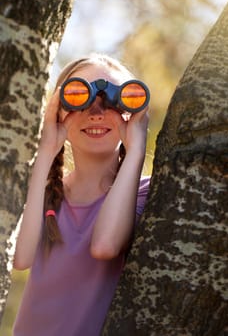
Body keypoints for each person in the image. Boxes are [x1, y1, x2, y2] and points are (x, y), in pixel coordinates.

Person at [13, 53, 150, 336]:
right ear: (58, 110)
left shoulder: (147, 192)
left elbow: (105, 245)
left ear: (131, 110)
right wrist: (46, 150)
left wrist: (136, 148)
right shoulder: (46, 192)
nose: (96, 113)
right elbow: (19, 257)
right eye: (79, 97)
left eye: (112, 101)